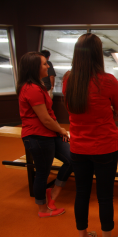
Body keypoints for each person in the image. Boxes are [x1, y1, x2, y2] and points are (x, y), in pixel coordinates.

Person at [63, 33, 118, 237]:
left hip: (78, 147)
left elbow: (73, 109)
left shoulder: (68, 79)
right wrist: (105, 114)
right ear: (98, 54)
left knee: (81, 193)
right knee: (105, 196)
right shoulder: (108, 81)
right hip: (104, 146)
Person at [16, 51, 72, 218]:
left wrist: (57, 131)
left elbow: (49, 117)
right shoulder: (32, 89)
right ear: (34, 67)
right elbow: (45, 119)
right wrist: (61, 130)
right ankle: (43, 209)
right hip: (38, 137)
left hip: (49, 134)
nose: (48, 66)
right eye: (44, 64)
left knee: (72, 159)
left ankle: (53, 192)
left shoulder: (38, 86)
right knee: (42, 172)